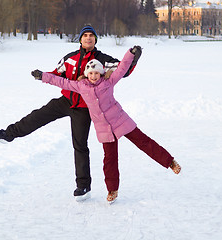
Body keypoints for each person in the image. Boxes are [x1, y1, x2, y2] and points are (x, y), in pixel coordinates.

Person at [0, 25, 140, 201]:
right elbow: (57, 75)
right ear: (80, 39)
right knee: (37, 116)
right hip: (66, 100)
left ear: (95, 39)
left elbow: (124, 70)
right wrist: (42, 75)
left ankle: (83, 186)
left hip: (84, 108)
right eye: (85, 35)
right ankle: (9, 134)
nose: (88, 38)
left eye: (91, 35)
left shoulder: (103, 59)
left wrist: (134, 58)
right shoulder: (70, 58)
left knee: (79, 145)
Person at [31, 46, 181, 204]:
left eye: (96, 73)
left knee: (144, 142)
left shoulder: (108, 82)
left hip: (120, 121)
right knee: (110, 159)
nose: (94, 76)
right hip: (104, 129)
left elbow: (122, 68)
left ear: (101, 73)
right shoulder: (81, 87)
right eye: (91, 73)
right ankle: (112, 190)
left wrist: (130, 53)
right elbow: (61, 81)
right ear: (86, 75)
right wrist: (43, 76)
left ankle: (170, 161)